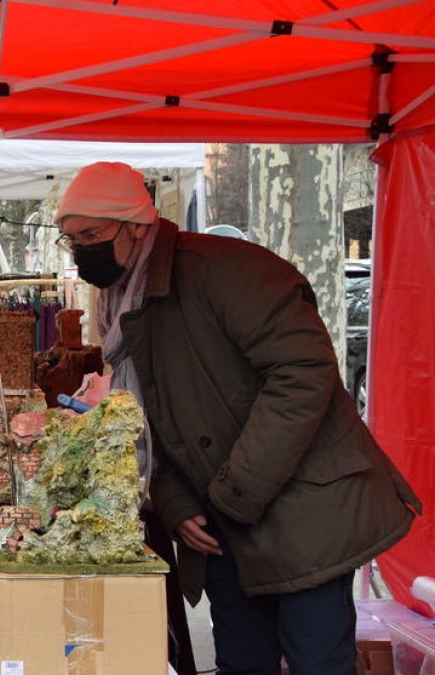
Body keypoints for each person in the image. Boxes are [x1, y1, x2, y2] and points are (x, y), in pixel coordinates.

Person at [55, 161, 421, 674]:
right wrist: (176, 500)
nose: (80, 250)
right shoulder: (120, 303)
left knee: (318, 663)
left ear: (136, 225)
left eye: (90, 234)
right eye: (70, 239)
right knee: (242, 664)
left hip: (304, 514)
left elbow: (303, 374)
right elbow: (151, 417)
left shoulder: (228, 269)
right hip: (222, 521)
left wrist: (233, 495)